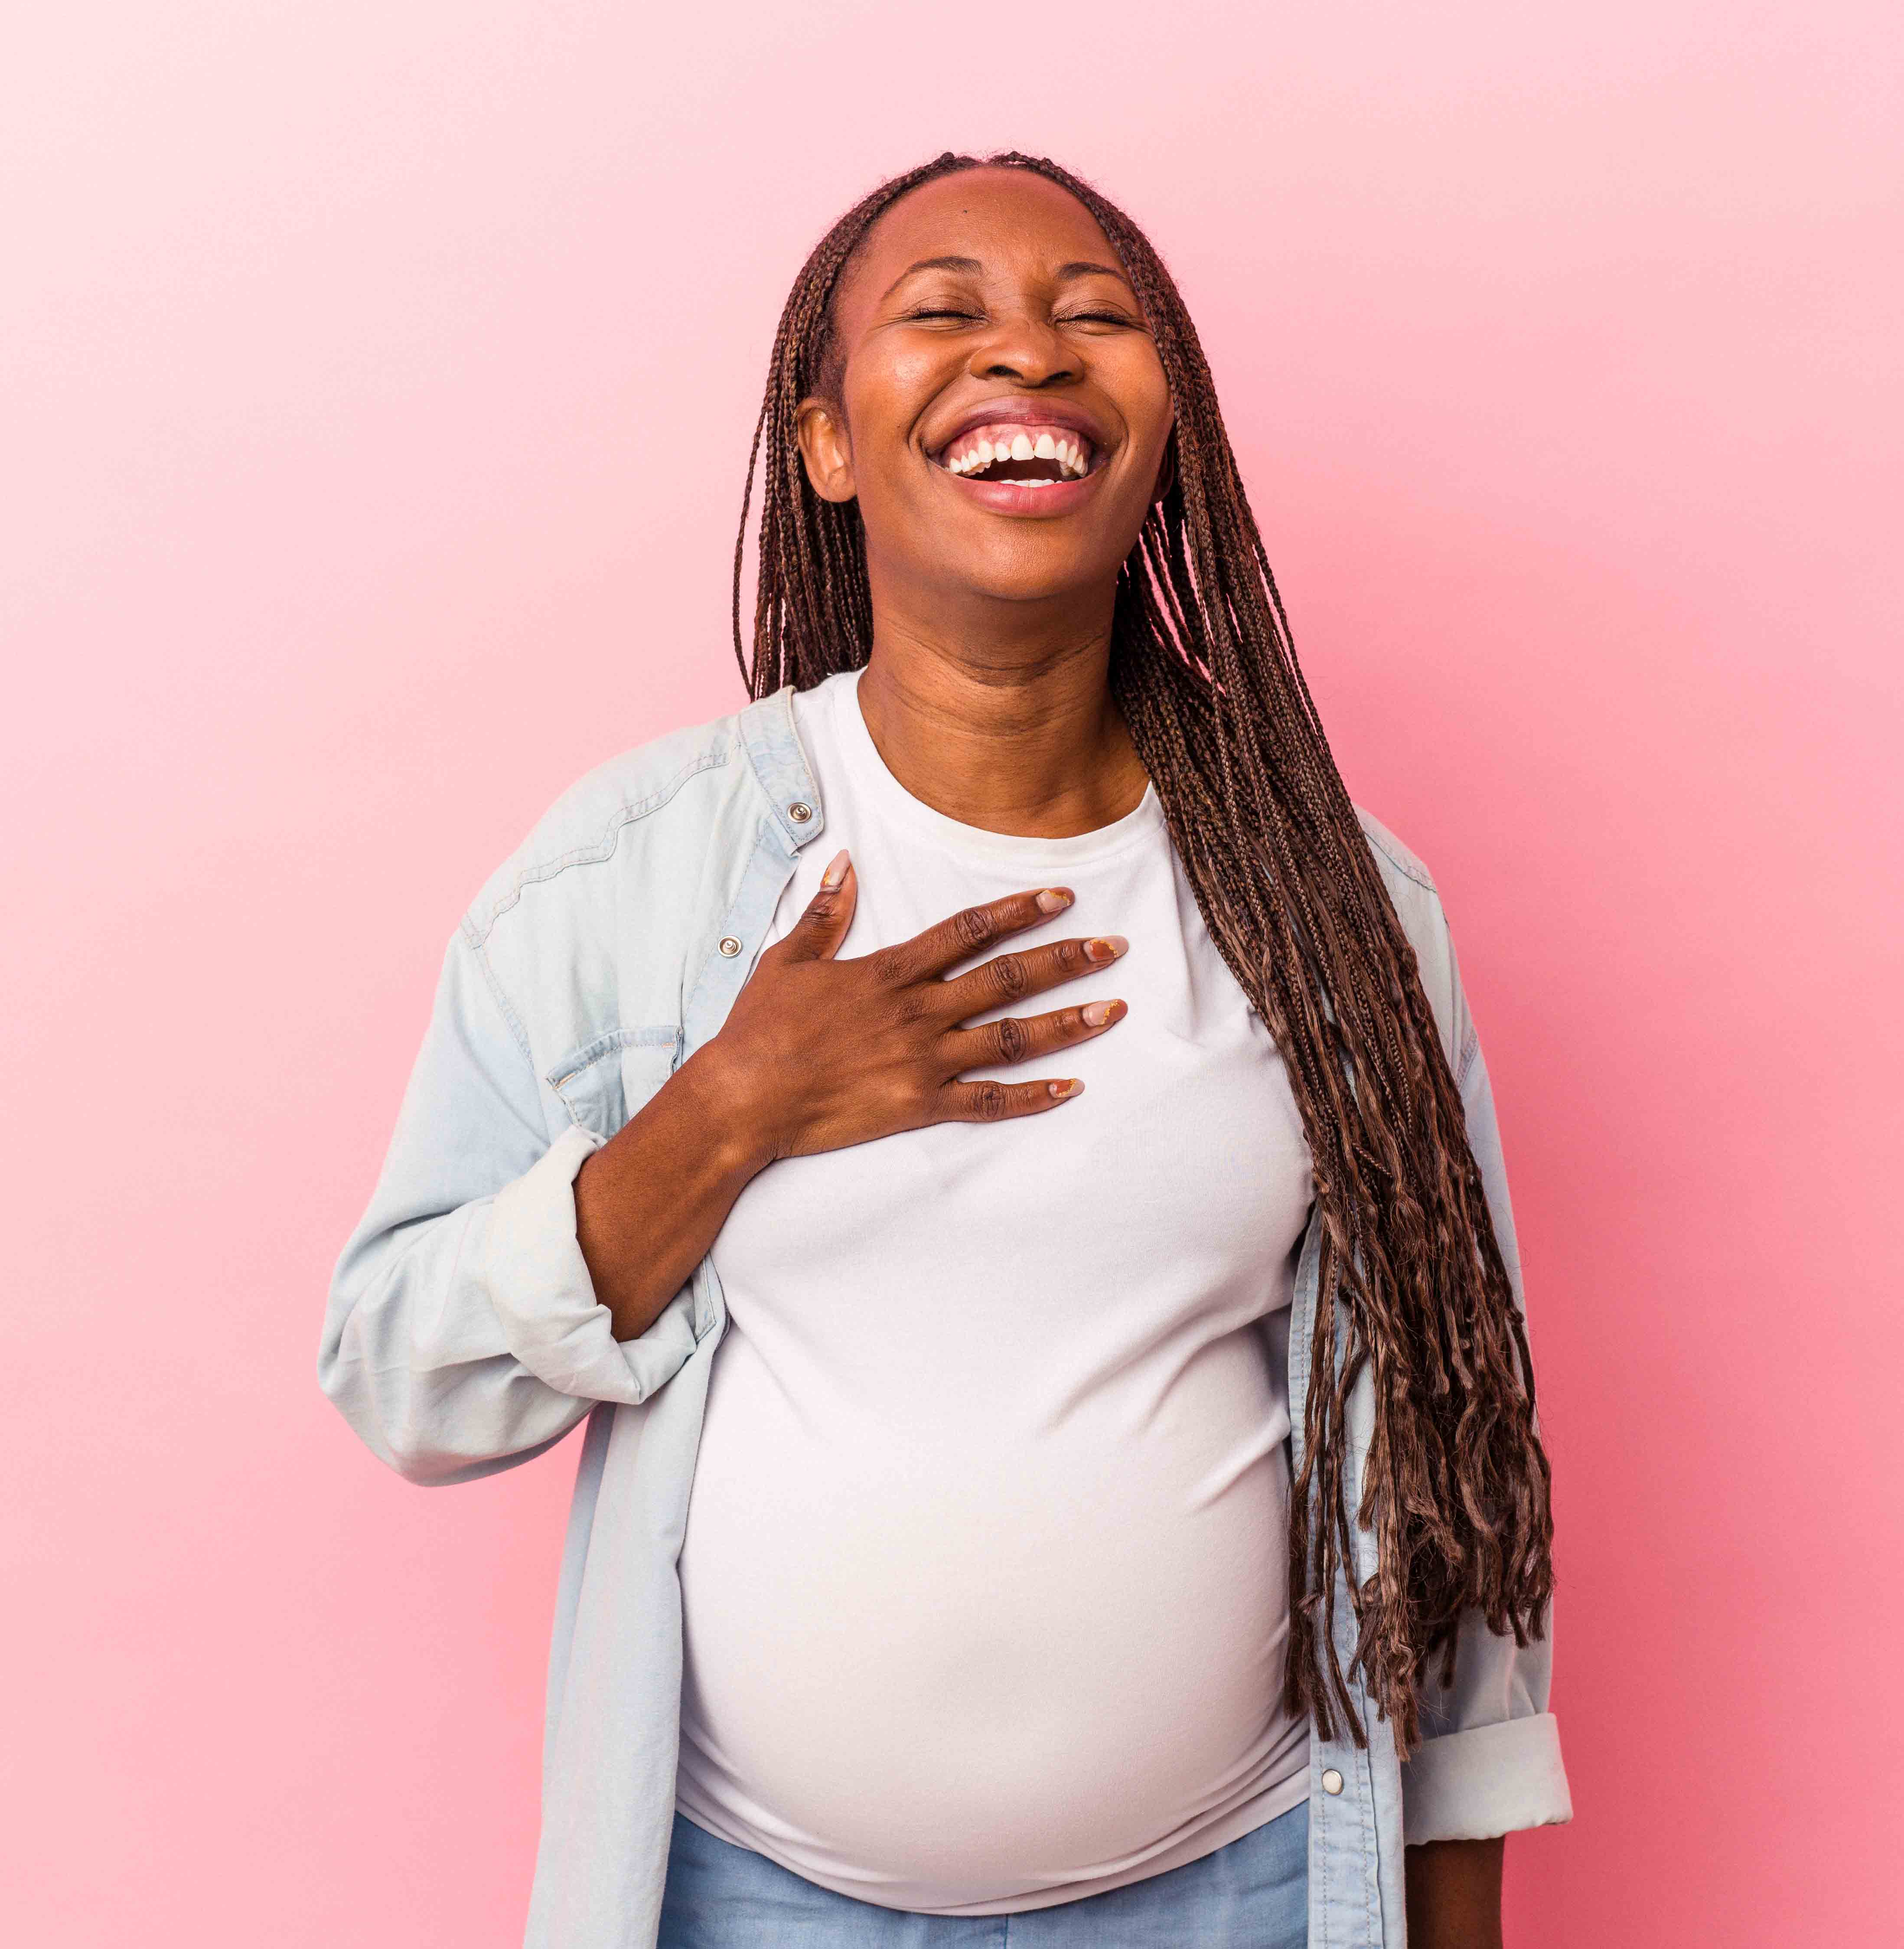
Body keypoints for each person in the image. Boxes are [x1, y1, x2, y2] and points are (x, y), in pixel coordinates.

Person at [319, 150, 1571, 1949]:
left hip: (1243, 1892)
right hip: (750, 1904)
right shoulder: (634, 884)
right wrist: (731, 1108)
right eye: (945, 312)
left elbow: (1454, 1487)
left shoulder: (1341, 909)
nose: (1029, 352)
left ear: (1166, 430)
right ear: (827, 443)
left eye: (1094, 316)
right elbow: (403, 1376)